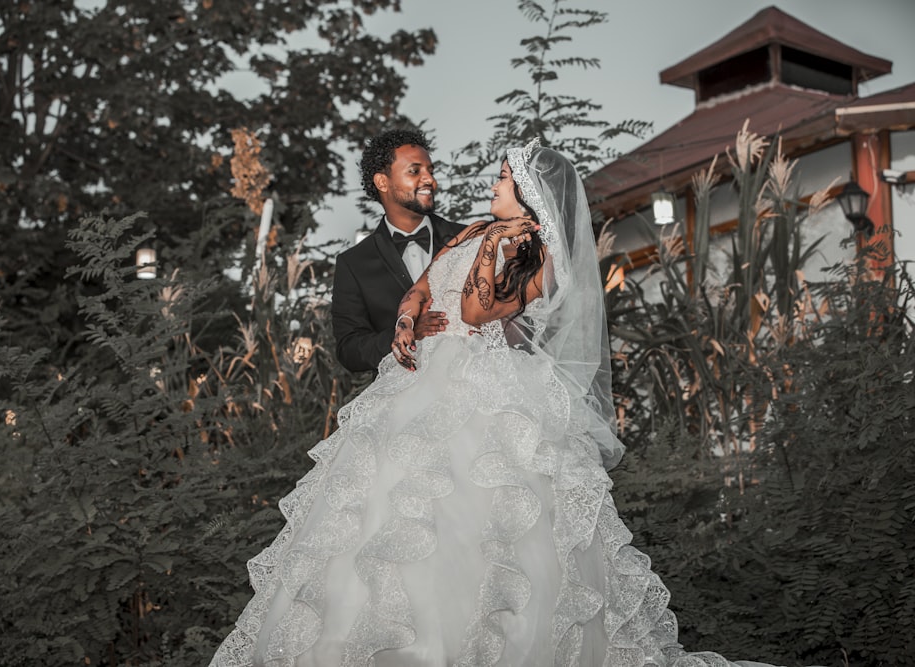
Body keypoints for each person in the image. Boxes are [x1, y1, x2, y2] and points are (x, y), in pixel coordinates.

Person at [211, 139, 775, 666]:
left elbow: (481, 313)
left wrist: (493, 248)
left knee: (490, 514)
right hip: (414, 385)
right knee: (382, 506)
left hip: (489, 386)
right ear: (383, 181)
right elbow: (422, 286)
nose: (482, 182)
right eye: (417, 169)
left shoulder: (531, 254)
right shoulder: (463, 234)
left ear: (529, 196)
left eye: (504, 177)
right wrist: (406, 321)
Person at [331, 128, 465, 373]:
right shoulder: (353, 264)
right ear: (382, 182)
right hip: (400, 401)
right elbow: (349, 350)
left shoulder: (467, 239)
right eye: (415, 171)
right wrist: (406, 333)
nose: (430, 181)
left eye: (430, 171)